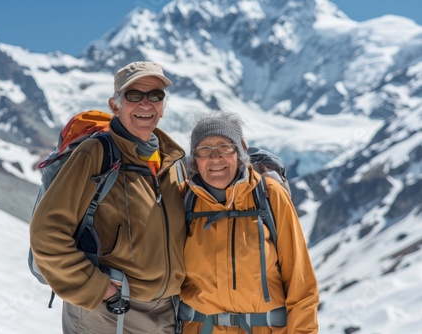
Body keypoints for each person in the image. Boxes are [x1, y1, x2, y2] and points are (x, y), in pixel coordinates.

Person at [30, 61, 187, 334]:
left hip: (165, 316)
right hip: (107, 313)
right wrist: (96, 289)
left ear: (163, 106)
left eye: (155, 96)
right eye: (134, 96)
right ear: (115, 105)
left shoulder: (173, 162)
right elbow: (47, 233)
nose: (146, 104)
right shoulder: (97, 154)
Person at [179, 110, 319, 333]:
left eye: (225, 147)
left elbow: (301, 284)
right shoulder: (184, 200)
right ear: (195, 158)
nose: (215, 158)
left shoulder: (269, 195)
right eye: (205, 149)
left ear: (241, 150)